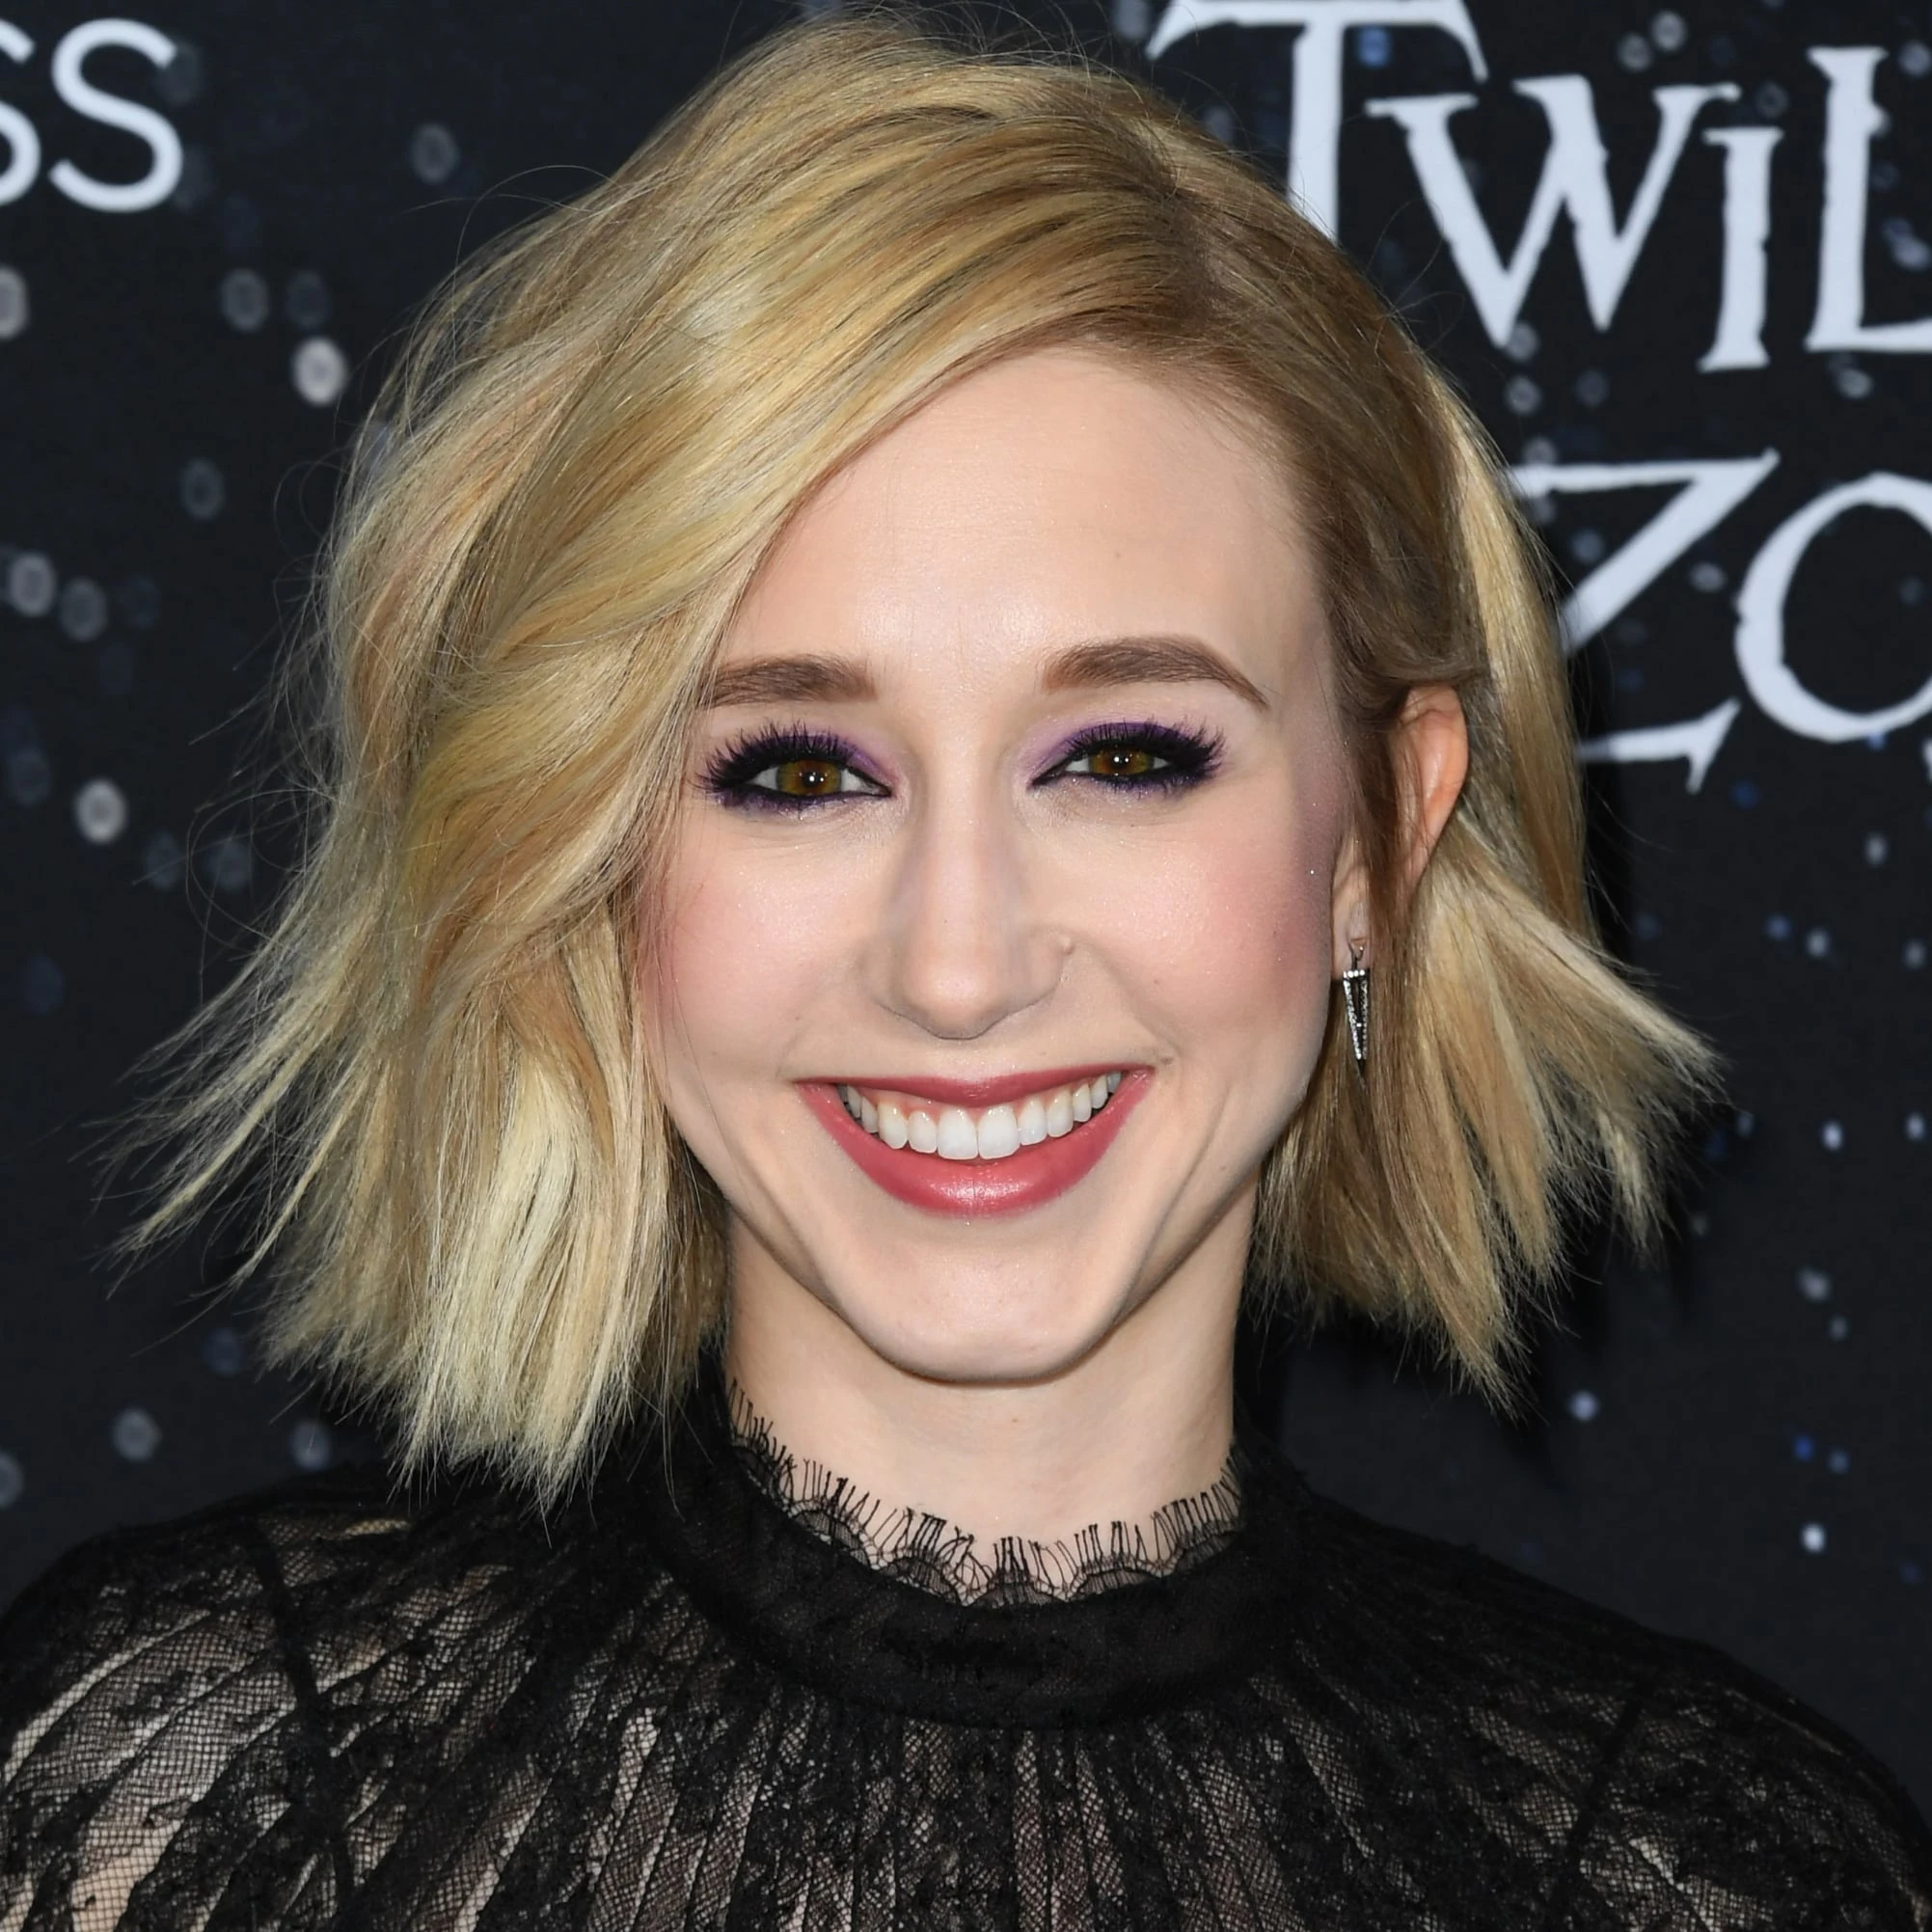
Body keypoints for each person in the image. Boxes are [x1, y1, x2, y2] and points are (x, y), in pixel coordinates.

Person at [2, 11, 1927, 1926]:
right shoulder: (185, 1792)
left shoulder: (1695, 1877)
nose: (956, 963)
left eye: (1123, 757)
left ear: (1377, 837)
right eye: (796, 771)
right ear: (585, 849)